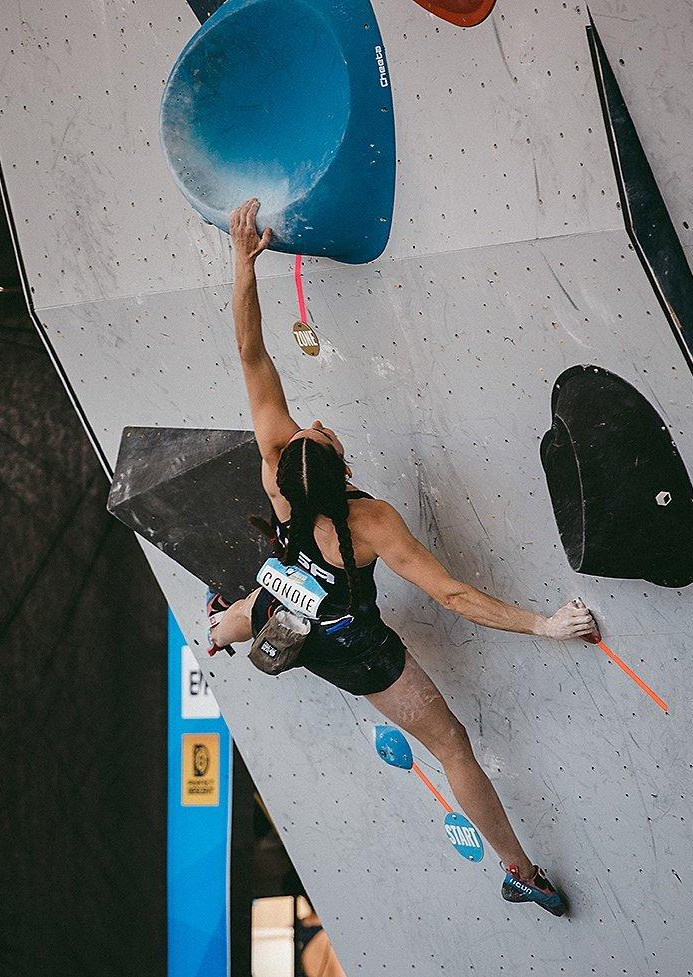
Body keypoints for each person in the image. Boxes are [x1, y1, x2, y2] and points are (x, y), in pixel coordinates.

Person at [207, 198, 600, 916]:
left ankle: (222, 625)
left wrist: (241, 263)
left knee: (262, 604)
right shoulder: (369, 522)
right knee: (450, 743)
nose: (318, 424)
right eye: (324, 435)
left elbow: (250, 352)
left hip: (295, 616)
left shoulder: (276, 468)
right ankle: (518, 869)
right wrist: (544, 624)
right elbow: (452, 596)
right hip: (354, 648)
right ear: (341, 471)